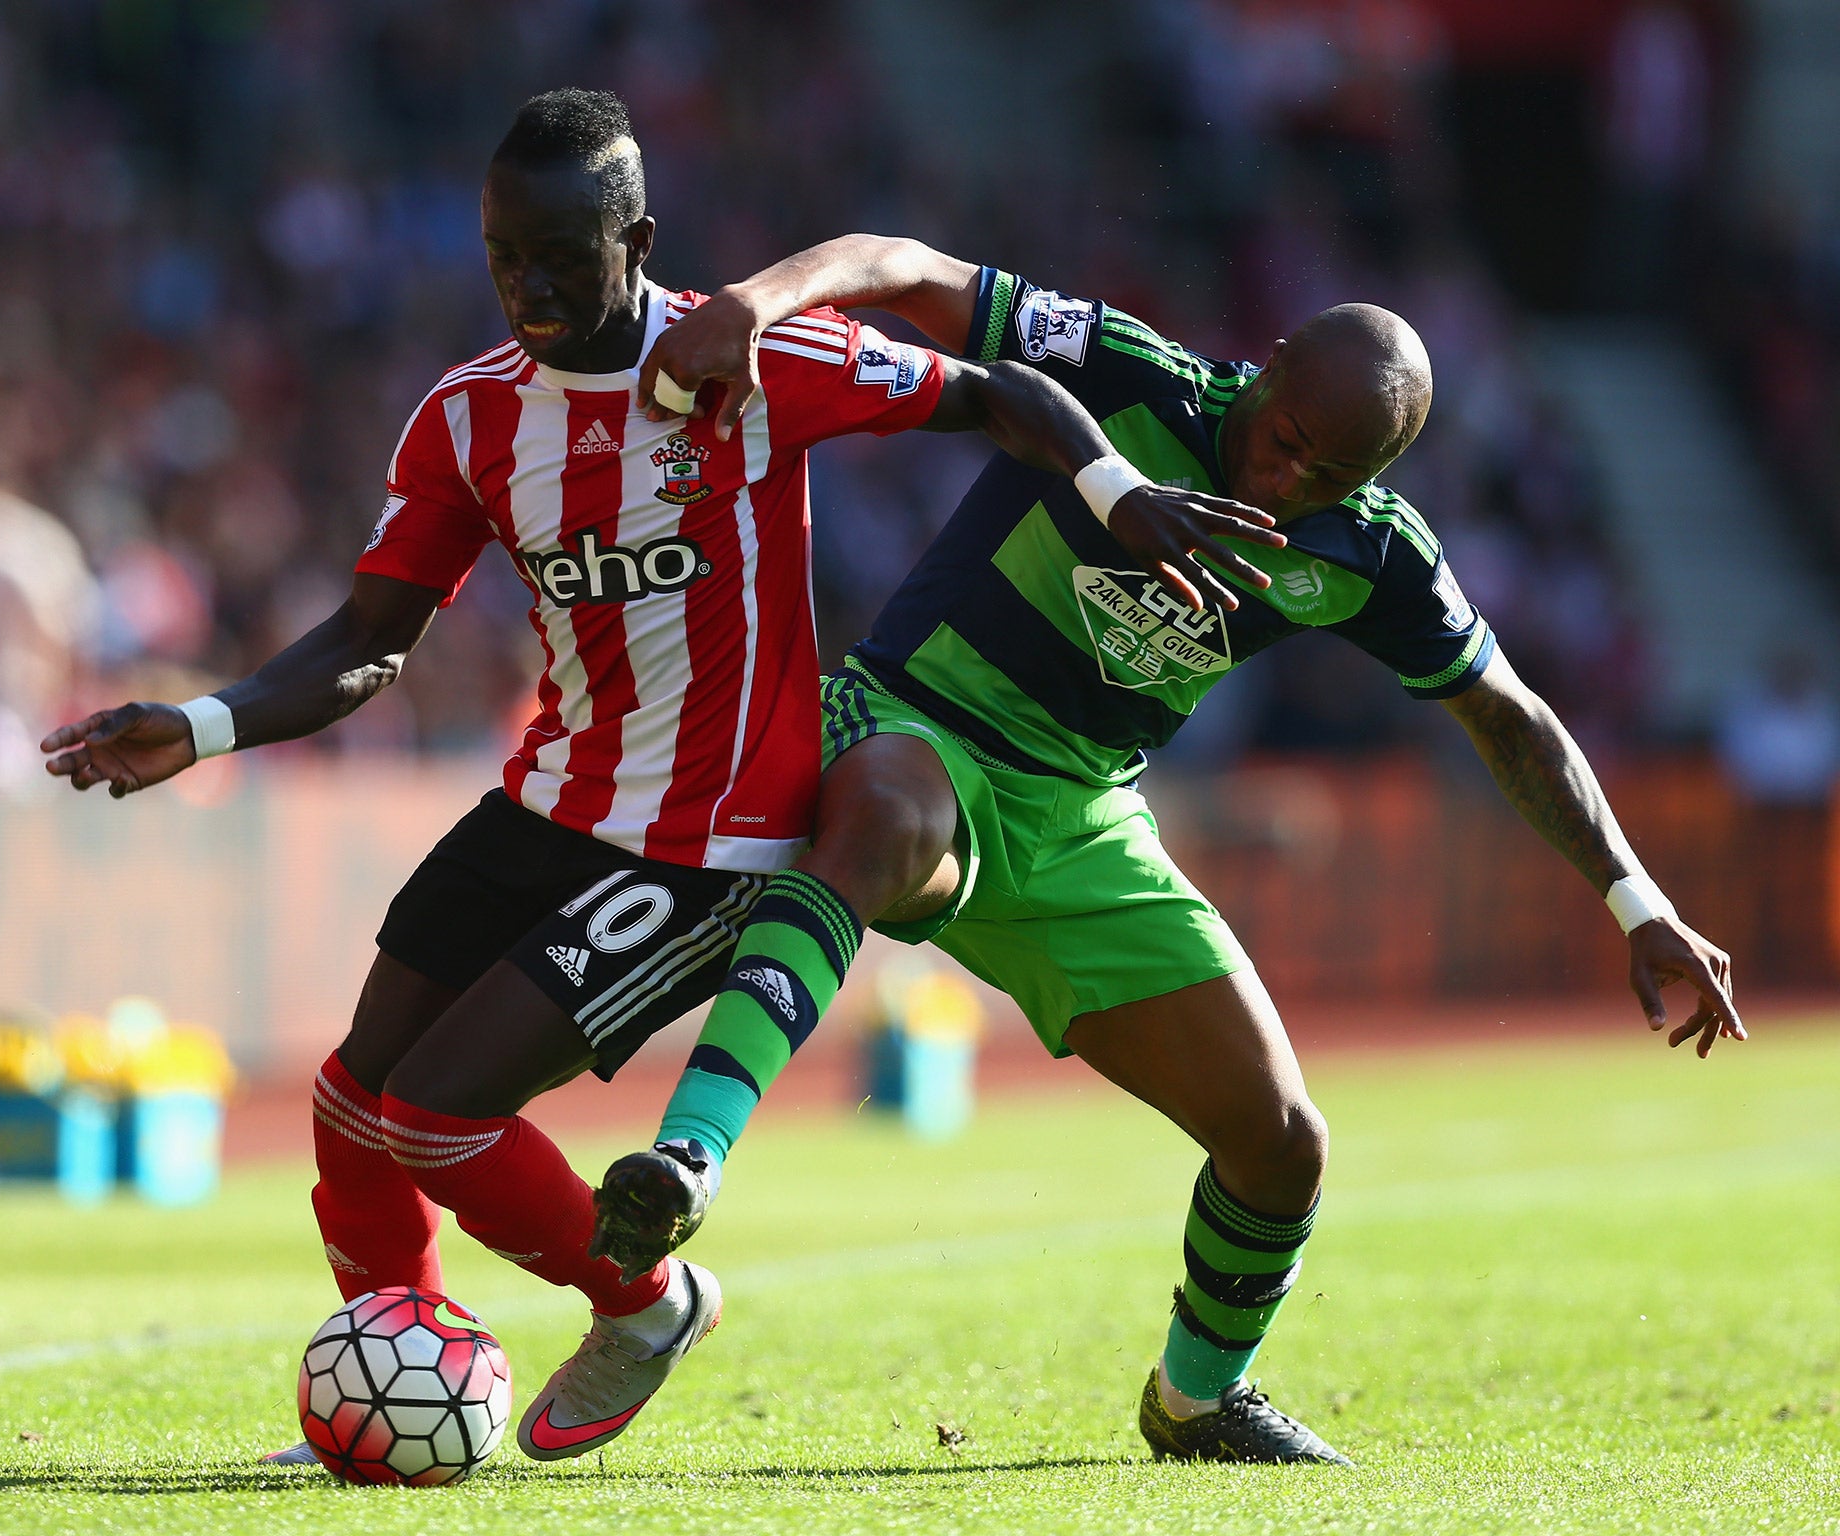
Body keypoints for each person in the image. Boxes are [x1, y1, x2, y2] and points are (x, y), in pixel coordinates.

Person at [38, 100, 1279, 1467]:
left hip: (714, 845)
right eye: (509, 256)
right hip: (550, 803)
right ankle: (398, 1381)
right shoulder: (469, 418)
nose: (535, 288)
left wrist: (1113, 490)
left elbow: (1006, 395)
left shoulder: (759, 368)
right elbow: (366, 644)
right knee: (350, 1108)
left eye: (567, 256)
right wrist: (205, 723)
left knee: (436, 1116)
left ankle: (649, 1302)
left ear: (635, 241)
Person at [589, 235, 1744, 1466]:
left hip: (1084, 819)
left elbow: (1508, 715)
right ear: (1272, 362)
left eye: (1328, 468)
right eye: (1284, 432)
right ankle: (686, 1159)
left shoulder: (1368, 551)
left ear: (1379, 473)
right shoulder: (1135, 377)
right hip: (916, 725)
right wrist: (754, 305)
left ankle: (1196, 1399)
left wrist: (1633, 901)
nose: (1285, 474)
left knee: (1282, 1142)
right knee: (881, 821)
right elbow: (902, 265)